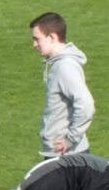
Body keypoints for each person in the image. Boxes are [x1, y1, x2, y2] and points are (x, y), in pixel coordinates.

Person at [30, 12, 95, 157]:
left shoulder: (65, 67)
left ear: (52, 37)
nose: (34, 44)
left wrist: (70, 140)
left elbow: (86, 105)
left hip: (67, 154)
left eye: (37, 39)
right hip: (62, 153)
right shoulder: (61, 64)